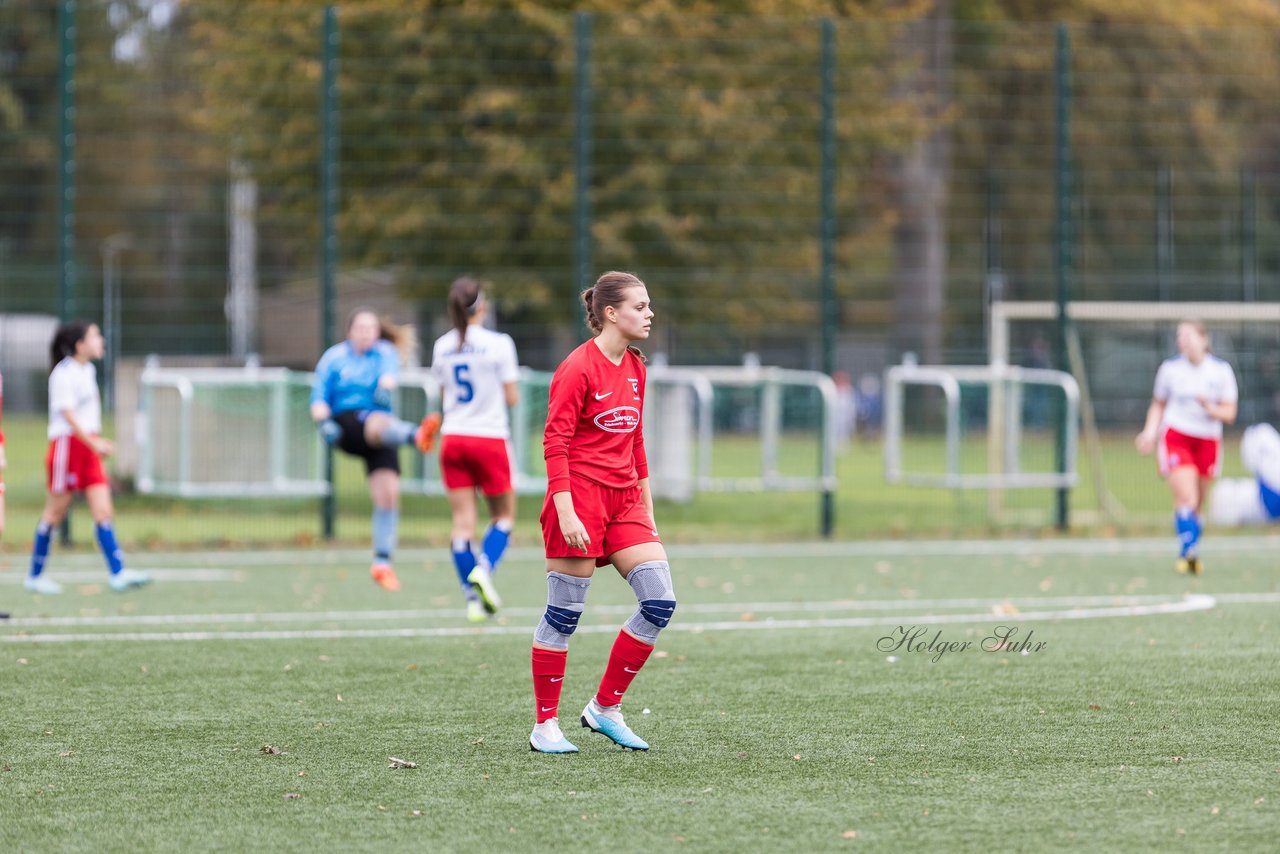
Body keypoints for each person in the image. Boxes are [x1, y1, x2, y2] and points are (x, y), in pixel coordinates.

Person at [528, 271, 676, 754]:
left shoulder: (636, 366)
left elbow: (635, 443)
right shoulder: (576, 368)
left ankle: (604, 708)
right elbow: (555, 442)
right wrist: (566, 512)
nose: (649, 313)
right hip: (580, 499)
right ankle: (545, 725)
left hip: (625, 501)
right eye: (640, 306)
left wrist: (647, 511)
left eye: (649, 305)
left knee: (659, 601)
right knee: (563, 616)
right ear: (611, 313)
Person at [310, 308, 434, 591]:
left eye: (371, 329)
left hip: (383, 433)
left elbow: (388, 378)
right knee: (376, 421)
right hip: (347, 426)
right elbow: (318, 399)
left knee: (388, 496)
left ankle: (382, 563)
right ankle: (417, 436)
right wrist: (323, 424)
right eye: (360, 328)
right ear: (349, 331)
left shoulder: (384, 353)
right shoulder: (334, 358)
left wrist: (385, 388)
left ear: (377, 333)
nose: (366, 333)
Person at [25, 321, 151, 594]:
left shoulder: (89, 370)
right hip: (67, 448)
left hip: (87, 449)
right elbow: (68, 416)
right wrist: (93, 443)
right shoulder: (63, 373)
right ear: (80, 345)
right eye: (95, 336)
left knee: (103, 510)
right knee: (55, 513)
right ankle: (35, 576)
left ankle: (118, 573)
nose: (100, 340)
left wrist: (94, 443)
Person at [427, 277, 519, 623]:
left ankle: (472, 600)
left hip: (453, 440)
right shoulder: (499, 343)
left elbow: (442, 395)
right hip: (489, 438)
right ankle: (484, 568)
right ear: (482, 305)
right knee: (504, 517)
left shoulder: (441, 346)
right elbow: (511, 398)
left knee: (462, 525)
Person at [1135, 319, 1238, 575]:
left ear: (1204, 340)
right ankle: (1188, 553)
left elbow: (1230, 413)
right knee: (1186, 496)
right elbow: (1158, 404)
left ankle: (1190, 546)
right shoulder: (1170, 370)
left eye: (1189, 336)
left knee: (1198, 503)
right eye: (1180, 337)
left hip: (1208, 440)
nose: (1184, 342)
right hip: (1176, 436)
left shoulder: (1221, 371)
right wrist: (1149, 432)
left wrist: (1210, 408)